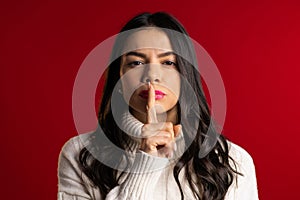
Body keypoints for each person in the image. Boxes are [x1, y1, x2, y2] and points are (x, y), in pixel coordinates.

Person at [58, 12, 259, 200]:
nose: (152, 75)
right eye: (136, 63)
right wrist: (146, 163)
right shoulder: (80, 154)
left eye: (168, 63)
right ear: (119, 80)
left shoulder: (232, 161)